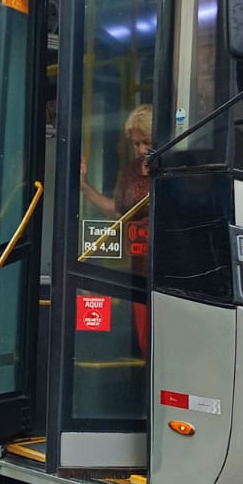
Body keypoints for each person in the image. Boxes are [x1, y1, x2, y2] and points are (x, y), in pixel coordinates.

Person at [79, 103, 153, 357]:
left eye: (146, 142)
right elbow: (118, 212)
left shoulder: (171, 169)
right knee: (144, 341)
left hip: (165, 269)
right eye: (136, 144)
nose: (141, 149)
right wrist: (85, 187)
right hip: (137, 267)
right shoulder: (132, 171)